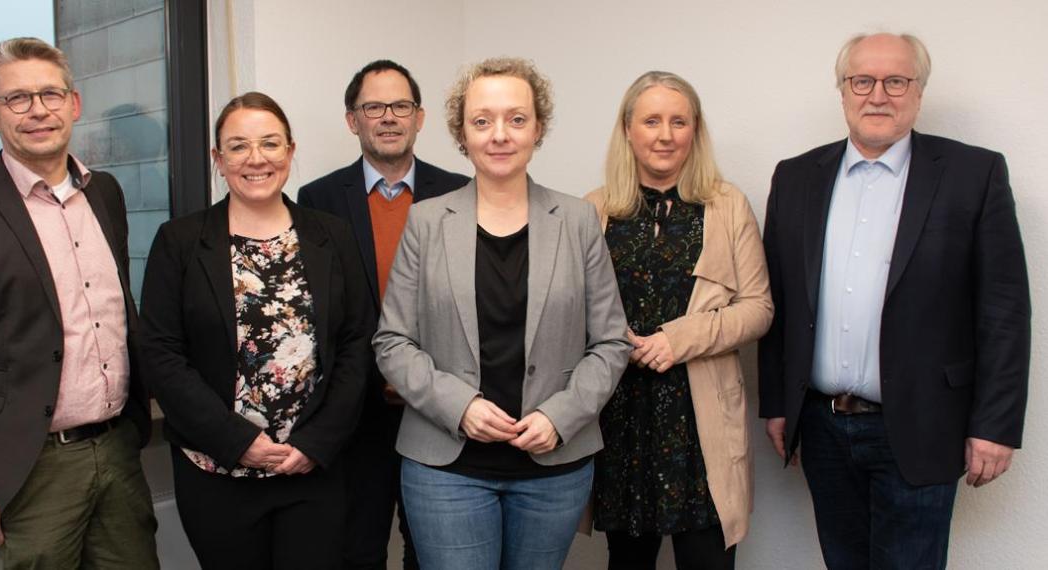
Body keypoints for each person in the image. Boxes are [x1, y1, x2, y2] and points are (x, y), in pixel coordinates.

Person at [758, 33, 1030, 569]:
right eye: (862, 80)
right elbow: (778, 302)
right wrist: (775, 403)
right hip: (822, 428)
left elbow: (1004, 312)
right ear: (843, 91)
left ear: (919, 92)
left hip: (924, 425)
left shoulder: (973, 175)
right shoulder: (795, 178)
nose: (877, 95)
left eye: (896, 81)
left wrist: (995, 426)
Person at [0, 37, 158, 568]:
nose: (38, 110)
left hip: (117, 451)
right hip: (31, 467)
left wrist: (138, 422)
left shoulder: (105, 193)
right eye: (17, 99)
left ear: (74, 103)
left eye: (50, 93)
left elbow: (117, 314)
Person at [373, 57, 630, 570]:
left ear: (538, 128)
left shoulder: (577, 220)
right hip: (446, 466)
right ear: (461, 134)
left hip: (552, 465)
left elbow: (611, 342)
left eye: (516, 119)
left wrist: (559, 416)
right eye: (482, 120)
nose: (499, 135)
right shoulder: (427, 221)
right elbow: (393, 342)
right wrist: (460, 405)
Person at [139, 92, 372, 569]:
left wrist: (316, 442)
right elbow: (161, 354)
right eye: (239, 146)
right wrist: (237, 440)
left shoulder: (332, 235)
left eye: (270, 143)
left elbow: (356, 343)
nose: (256, 158)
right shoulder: (180, 242)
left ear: (289, 150)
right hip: (217, 471)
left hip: (311, 468)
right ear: (217, 160)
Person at [585, 71, 772, 570]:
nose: (665, 134)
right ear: (628, 129)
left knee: (707, 558)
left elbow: (759, 308)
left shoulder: (727, 205)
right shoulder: (593, 210)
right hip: (621, 418)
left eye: (678, 121)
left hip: (699, 420)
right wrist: (612, 338)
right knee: (626, 561)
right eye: (651, 120)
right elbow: (569, 312)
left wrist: (679, 339)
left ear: (695, 130)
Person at [297, 59, 469, 570]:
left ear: (420, 118)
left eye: (401, 106)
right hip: (358, 410)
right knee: (358, 548)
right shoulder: (319, 199)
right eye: (374, 107)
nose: (388, 117)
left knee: (433, 551)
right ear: (354, 120)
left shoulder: (460, 192)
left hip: (438, 408)